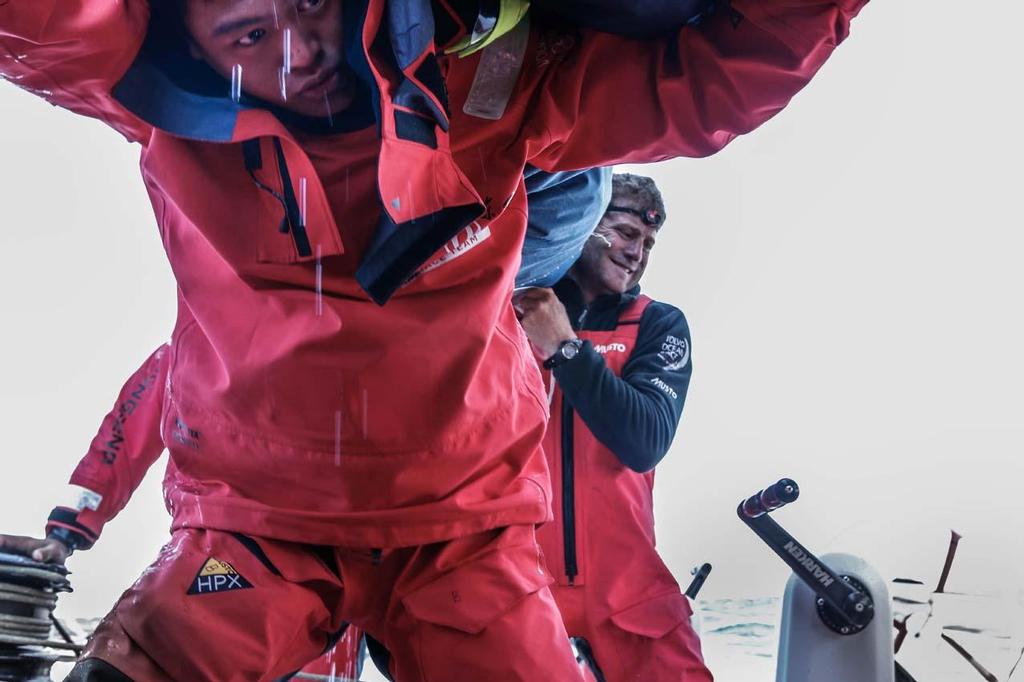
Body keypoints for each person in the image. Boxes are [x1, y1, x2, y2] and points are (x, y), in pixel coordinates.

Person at [0, 0, 869, 679]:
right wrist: (78, 514)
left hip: (470, 532)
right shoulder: (155, 104)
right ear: (189, 47)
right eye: (249, 32)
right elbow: (45, 25)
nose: (297, 50)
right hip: (258, 527)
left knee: (559, 182)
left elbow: (706, 84)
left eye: (310, 5)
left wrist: (565, 340)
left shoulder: (492, 94)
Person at [513, 173, 707, 682]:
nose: (636, 252)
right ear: (582, 223)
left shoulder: (658, 325)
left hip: (630, 595)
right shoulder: (509, 312)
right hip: (514, 587)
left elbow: (643, 441)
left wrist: (566, 348)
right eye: (624, 233)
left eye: (647, 243)